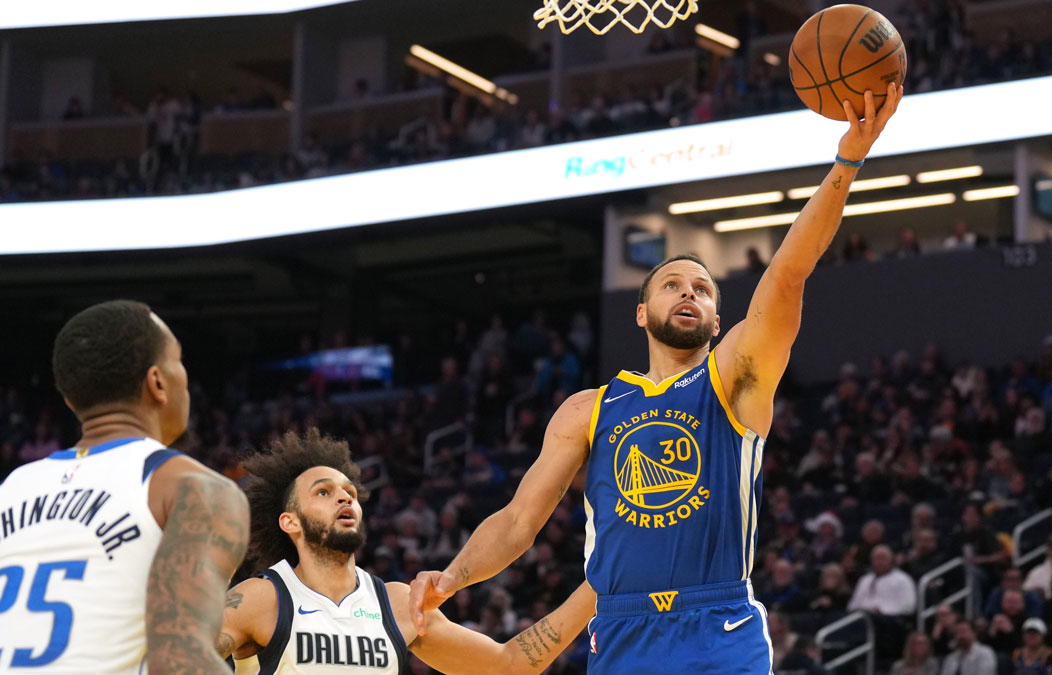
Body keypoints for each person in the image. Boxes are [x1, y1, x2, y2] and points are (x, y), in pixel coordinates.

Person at [407, 84, 904, 674]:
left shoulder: (735, 379)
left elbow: (789, 273)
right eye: (672, 284)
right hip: (620, 626)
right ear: (641, 313)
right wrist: (453, 577)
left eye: (702, 289)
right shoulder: (587, 408)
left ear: (719, 321)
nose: (688, 292)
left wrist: (847, 160)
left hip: (717, 622)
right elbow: (519, 521)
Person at [0, 300, 250, 673]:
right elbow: (179, 660)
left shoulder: (11, 486)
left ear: (70, 399)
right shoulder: (191, 487)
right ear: (158, 382)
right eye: (178, 360)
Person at [217, 430, 596, 674]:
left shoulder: (398, 603)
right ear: (291, 522)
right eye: (323, 492)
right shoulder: (261, 598)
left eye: (349, 491)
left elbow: (509, 666)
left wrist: (601, 583)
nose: (345, 496)